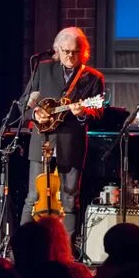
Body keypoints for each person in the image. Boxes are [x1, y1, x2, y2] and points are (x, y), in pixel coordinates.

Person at [19, 26, 105, 238]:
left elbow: (99, 112)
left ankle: (66, 251)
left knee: (69, 197)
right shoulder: (43, 68)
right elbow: (23, 103)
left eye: (74, 51)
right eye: (65, 51)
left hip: (70, 145)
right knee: (33, 196)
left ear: (82, 51)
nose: (69, 56)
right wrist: (35, 114)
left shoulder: (93, 77)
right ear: (57, 50)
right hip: (42, 141)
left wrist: (82, 112)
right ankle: (21, 246)